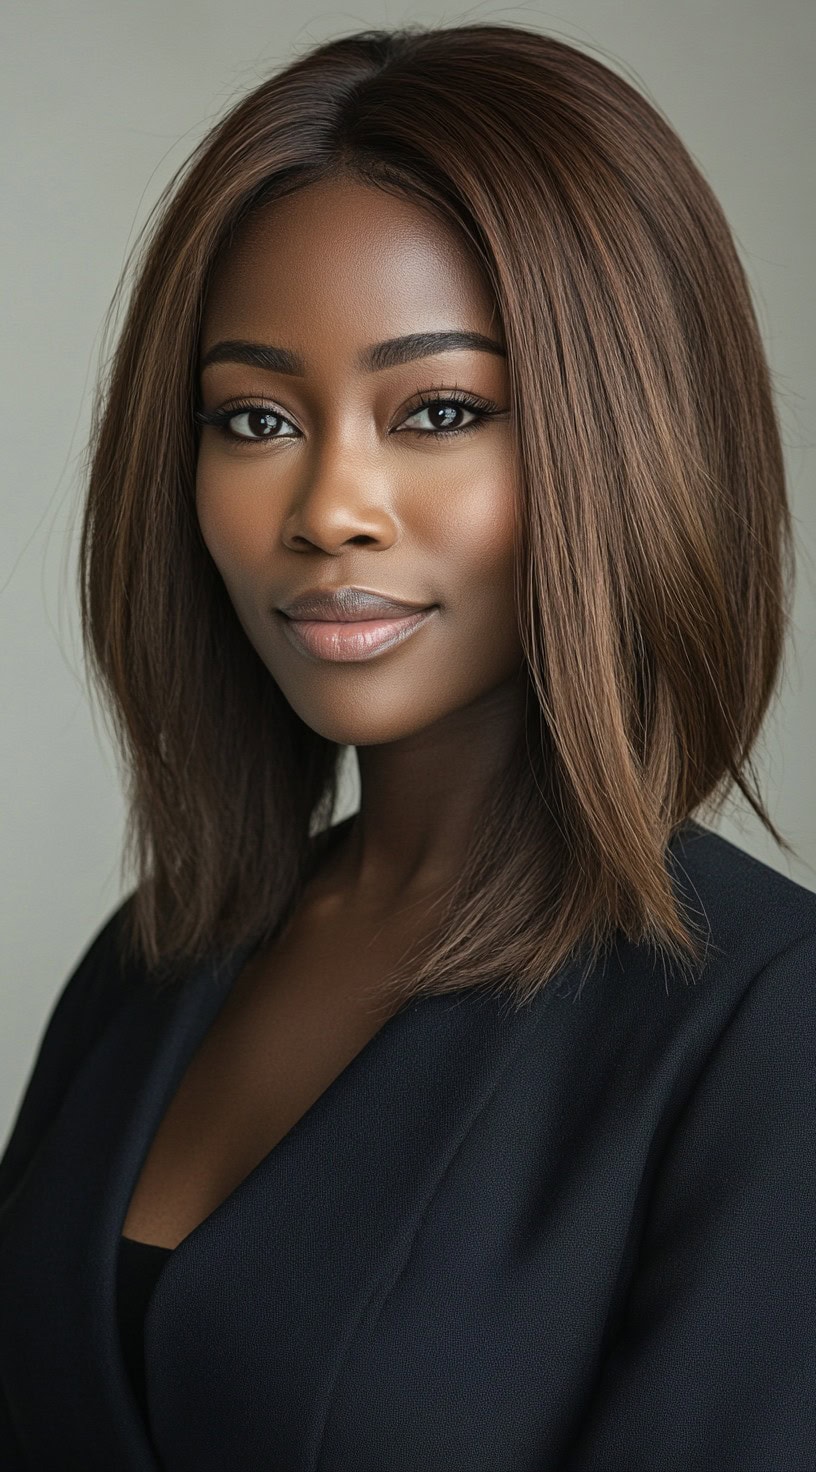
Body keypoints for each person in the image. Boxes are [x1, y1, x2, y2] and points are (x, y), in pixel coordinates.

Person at [1, 20, 814, 1471]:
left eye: (438, 410)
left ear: (626, 437)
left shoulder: (765, 1030)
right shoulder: (155, 960)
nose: (329, 506)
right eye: (254, 417)